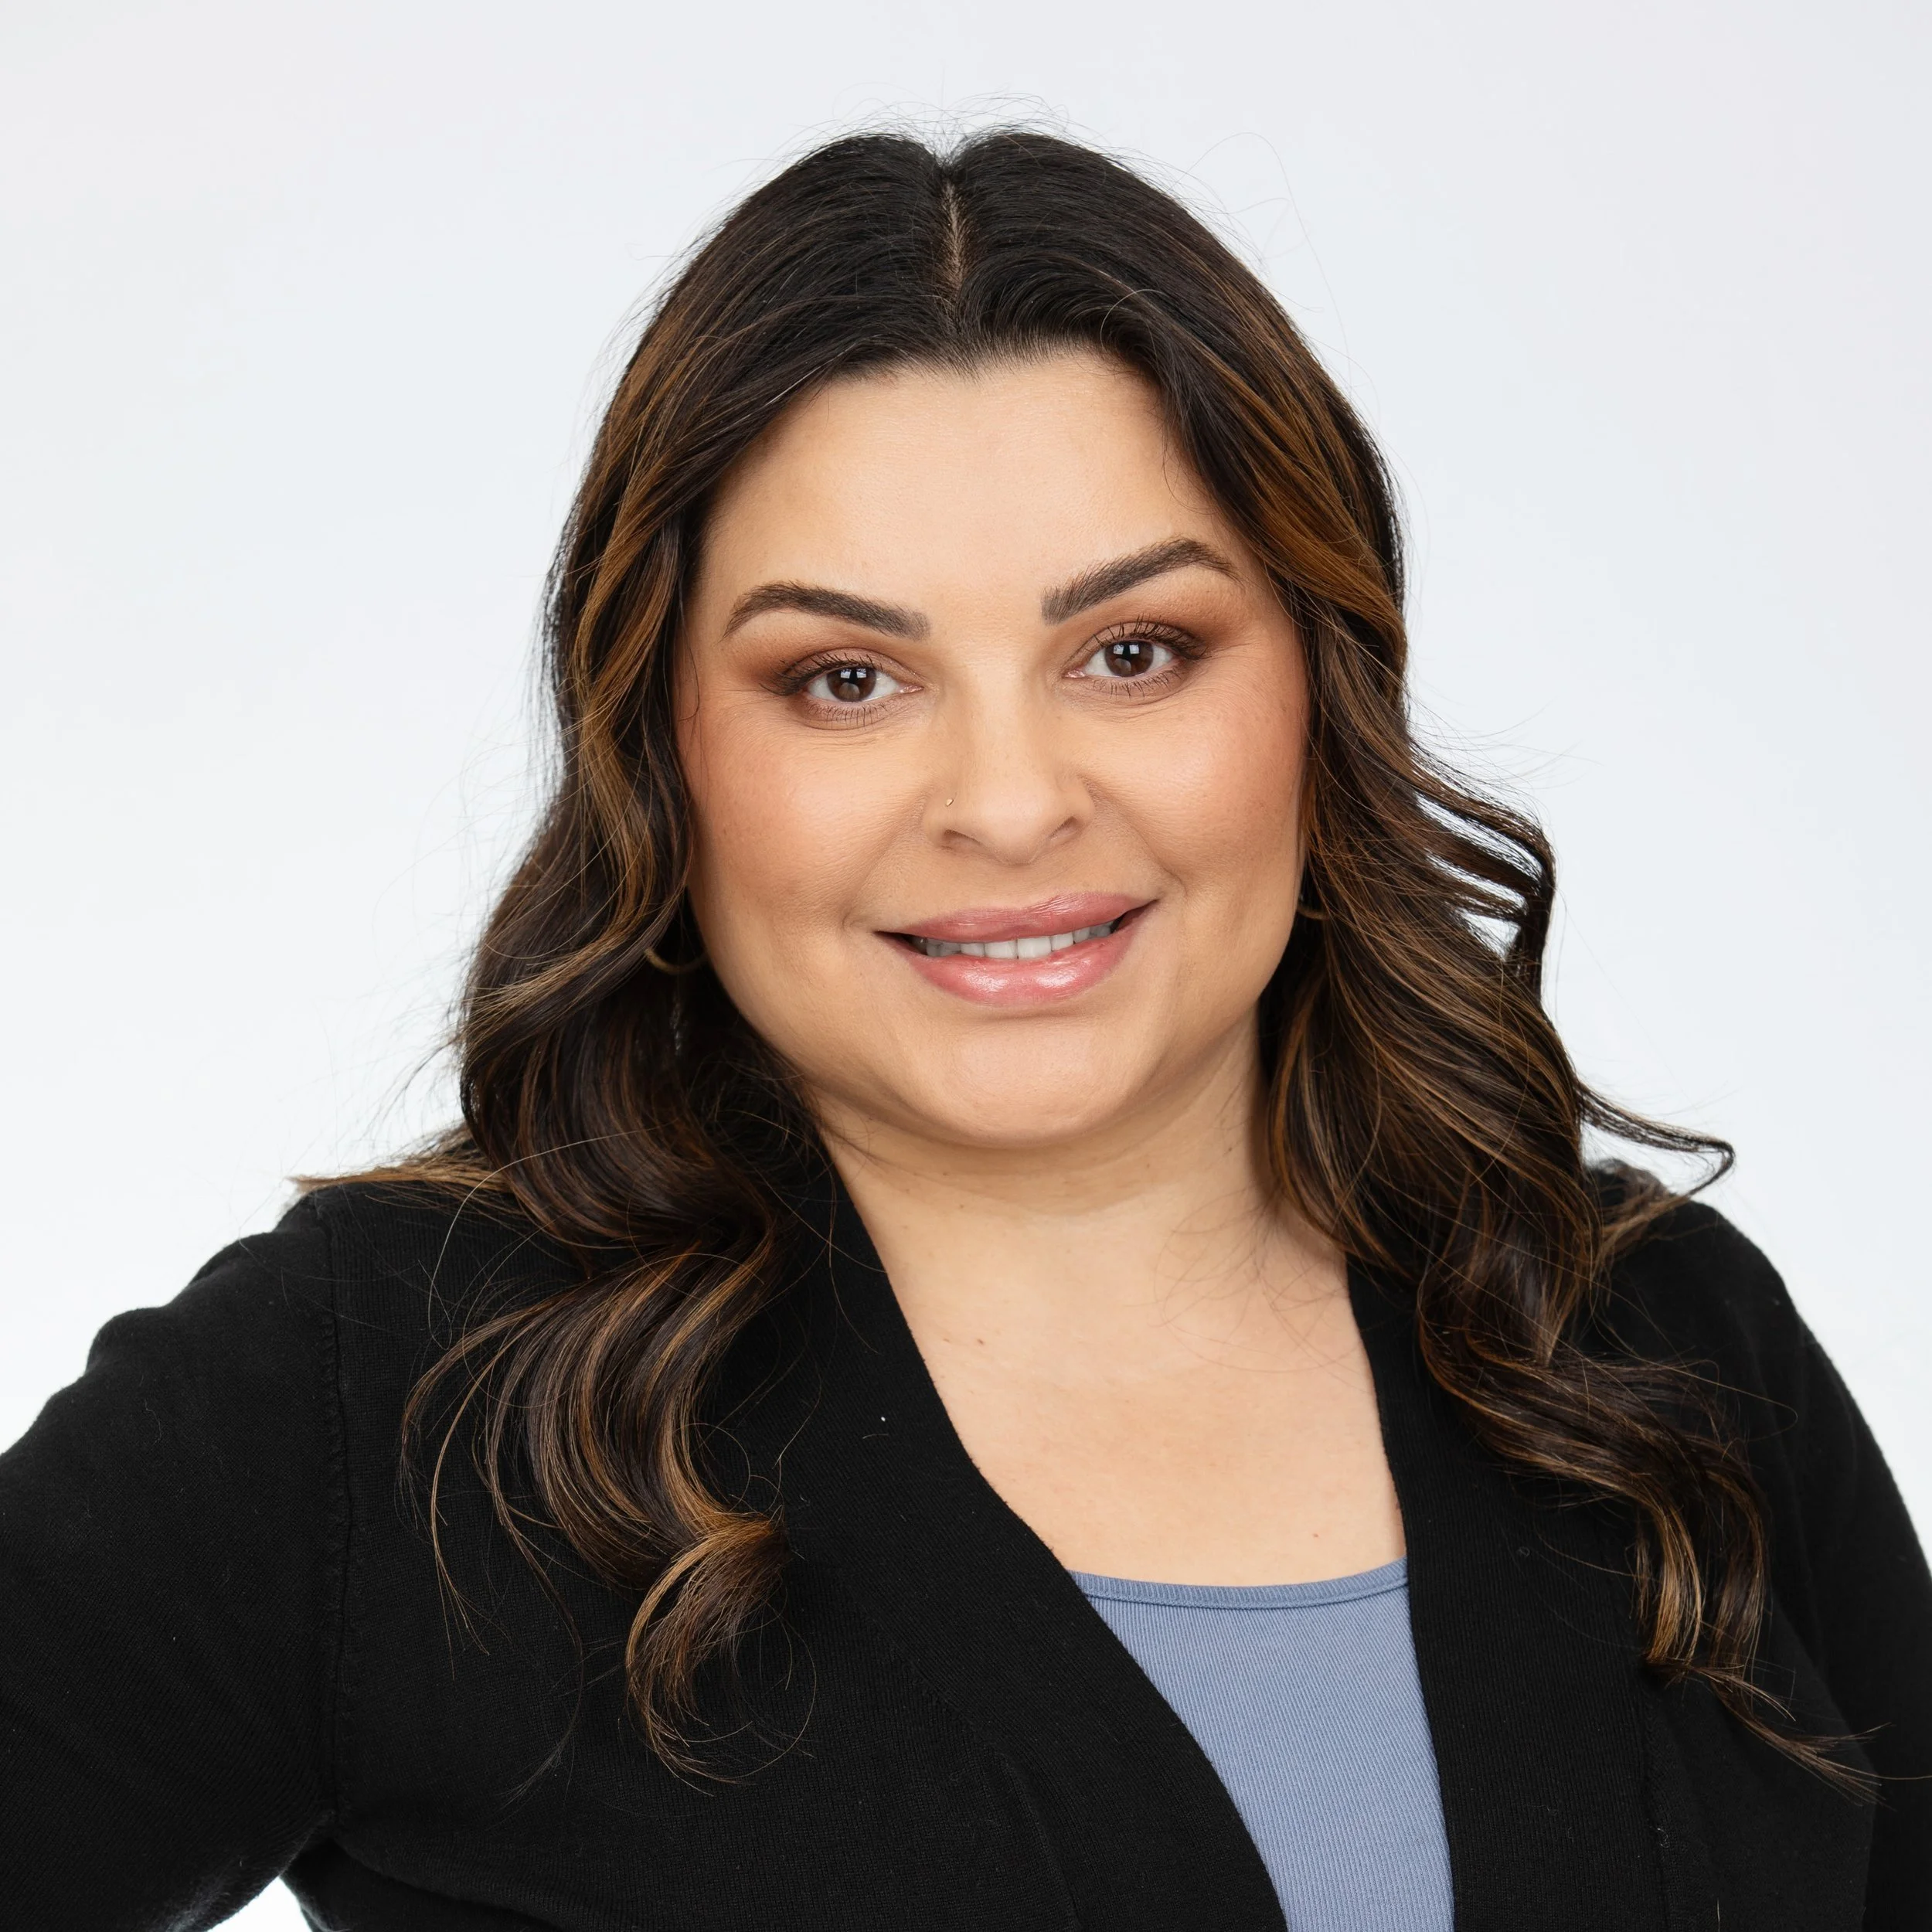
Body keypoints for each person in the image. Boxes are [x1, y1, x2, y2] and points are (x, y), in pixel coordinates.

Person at [2, 129, 1926, 1932]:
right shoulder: (393, 1404)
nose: (1007, 801)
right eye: (845, 678)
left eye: (1132, 651)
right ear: (660, 746)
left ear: (1319, 690)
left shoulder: (1654, 1343)